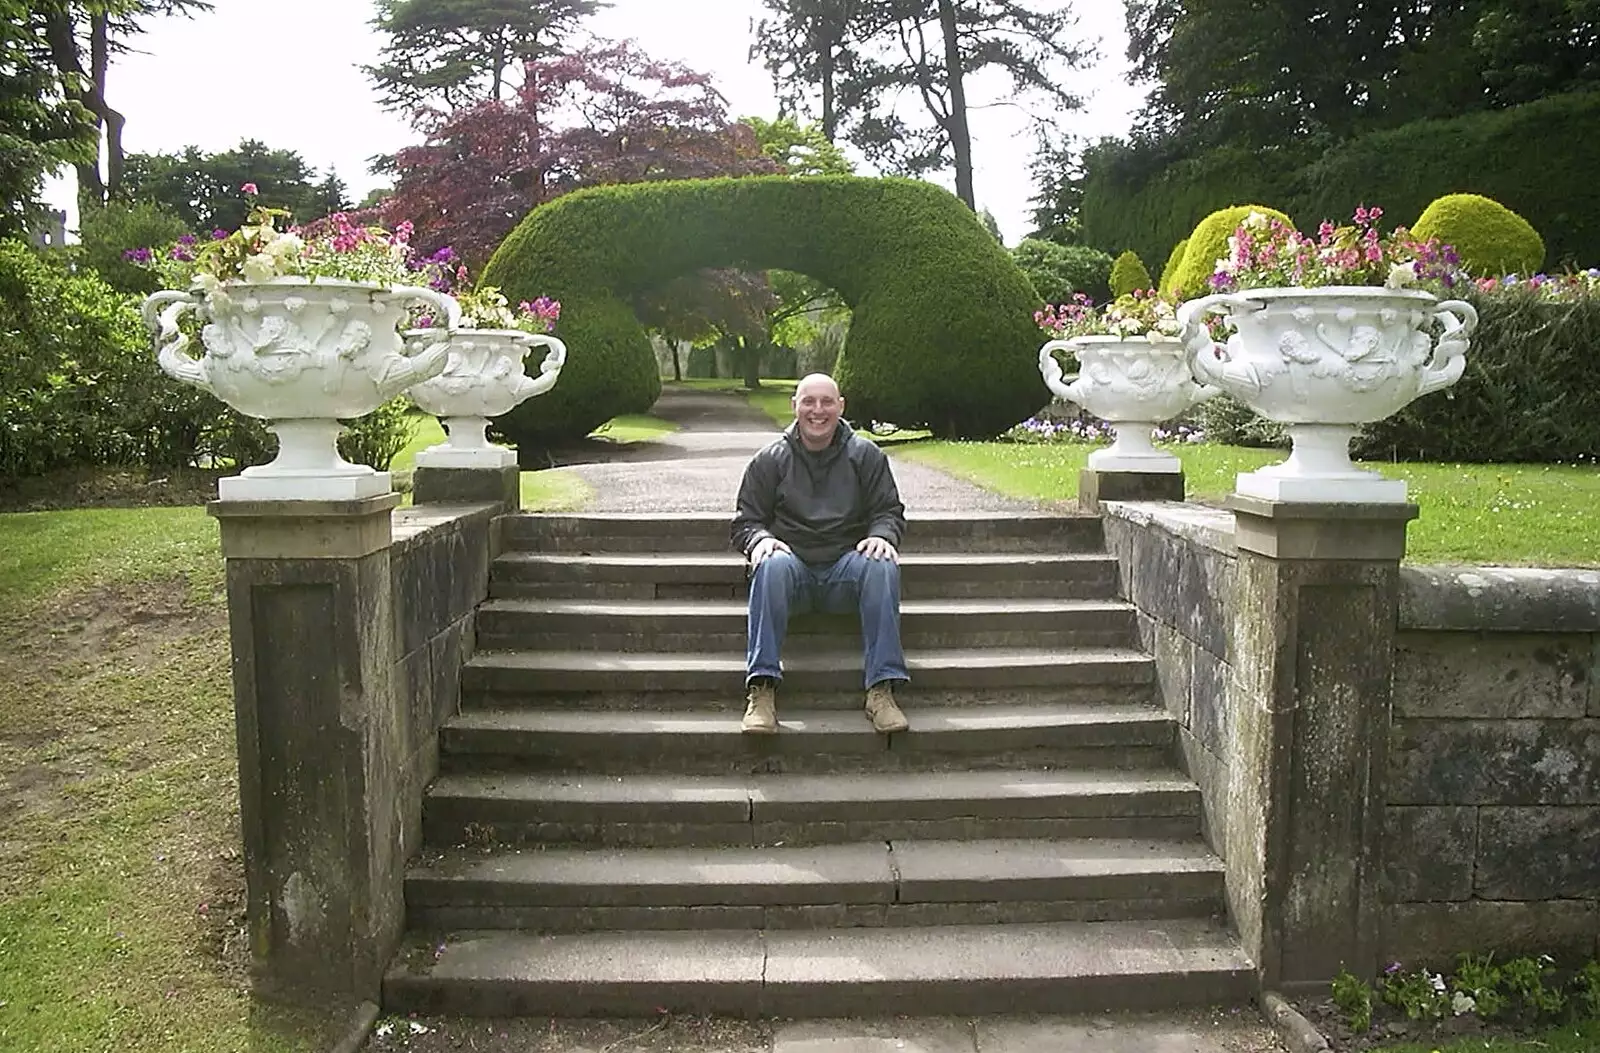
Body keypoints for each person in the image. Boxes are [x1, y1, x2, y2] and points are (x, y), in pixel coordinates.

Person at [729, 372, 910, 735]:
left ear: (841, 406)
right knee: (770, 564)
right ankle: (762, 690)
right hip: (791, 573)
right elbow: (745, 521)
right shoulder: (769, 460)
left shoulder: (866, 456)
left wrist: (882, 535)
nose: (818, 410)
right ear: (794, 406)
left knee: (881, 564)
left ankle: (881, 690)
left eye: (827, 401)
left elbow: (888, 511)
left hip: (846, 571)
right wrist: (759, 540)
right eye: (809, 401)